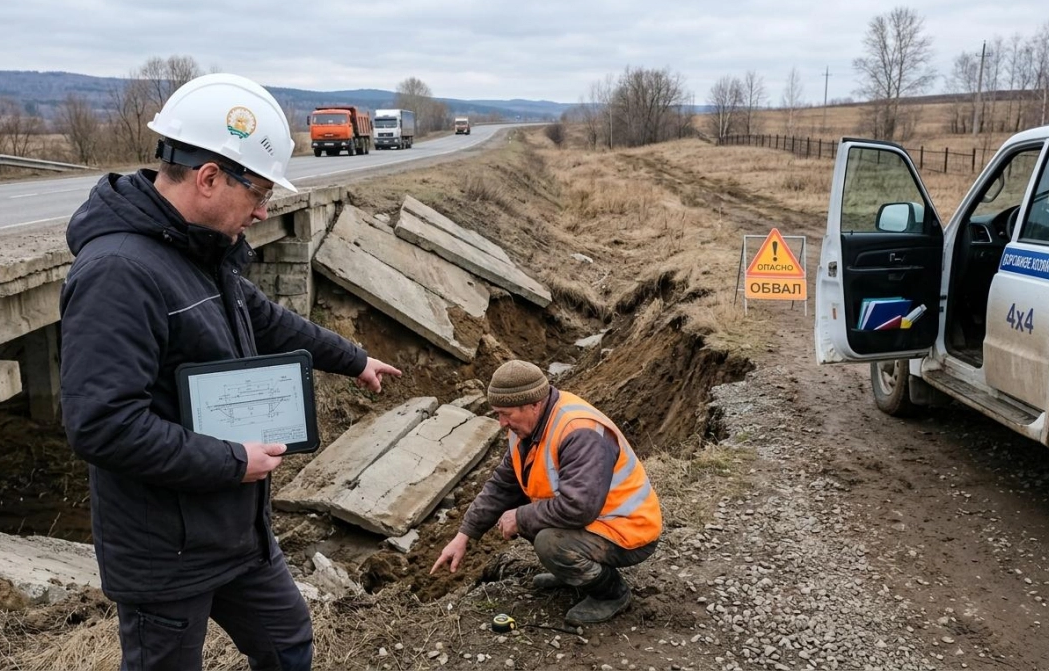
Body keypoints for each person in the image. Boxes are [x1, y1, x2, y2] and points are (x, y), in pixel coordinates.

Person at [59, 73, 401, 671]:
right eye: (259, 191)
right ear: (210, 178)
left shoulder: (198, 252)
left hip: (237, 536)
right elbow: (102, 424)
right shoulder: (119, 273)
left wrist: (353, 360)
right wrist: (234, 461)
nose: (265, 209)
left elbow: (266, 321)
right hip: (164, 550)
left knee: (287, 642)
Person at [431, 360, 661, 625]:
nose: (501, 423)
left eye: (506, 414)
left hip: (629, 530)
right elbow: (503, 485)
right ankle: (571, 573)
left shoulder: (578, 432)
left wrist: (520, 517)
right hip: (597, 521)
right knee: (533, 520)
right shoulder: (526, 428)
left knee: (549, 541)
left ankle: (611, 594)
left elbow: (579, 507)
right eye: (497, 413)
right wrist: (464, 535)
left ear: (533, 404)